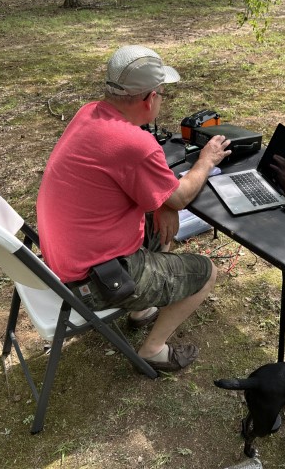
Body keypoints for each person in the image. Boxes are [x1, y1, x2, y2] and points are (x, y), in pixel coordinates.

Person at [36, 45, 232, 372]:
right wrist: (206, 159)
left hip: (63, 260)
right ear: (148, 98)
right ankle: (153, 349)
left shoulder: (89, 113)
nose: (162, 100)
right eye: (162, 94)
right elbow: (181, 196)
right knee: (207, 272)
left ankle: (141, 310)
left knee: (161, 218)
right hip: (93, 281)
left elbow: (144, 190)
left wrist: (161, 203)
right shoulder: (135, 144)